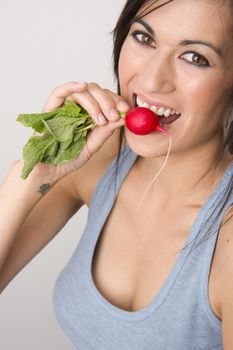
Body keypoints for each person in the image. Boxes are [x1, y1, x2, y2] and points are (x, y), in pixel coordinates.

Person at [1, 0, 233, 348]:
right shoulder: (102, 155)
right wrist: (30, 174)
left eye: (195, 58)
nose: (152, 79)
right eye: (144, 37)